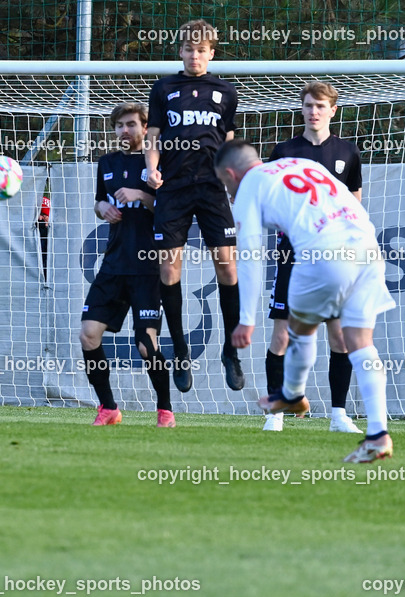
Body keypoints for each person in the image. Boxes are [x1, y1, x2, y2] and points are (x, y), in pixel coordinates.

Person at [217, 139, 396, 463]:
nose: (228, 192)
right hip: (367, 247)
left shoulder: (249, 186)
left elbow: (251, 257)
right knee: (359, 343)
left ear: (231, 174)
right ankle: (378, 434)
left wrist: (246, 320)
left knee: (298, 328)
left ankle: (292, 393)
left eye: (224, 183)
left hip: (323, 252)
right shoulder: (306, 165)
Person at [145, 19, 243, 393]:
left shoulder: (225, 91)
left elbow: (229, 141)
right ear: (180, 51)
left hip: (213, 188)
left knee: (227, 267)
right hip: (173, 189)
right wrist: (152, 168)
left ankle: (230, 351)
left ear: (211, 53)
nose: (194, 56)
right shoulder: (164, 88)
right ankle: (181, 351)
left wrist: (234, 180)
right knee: (169, 269)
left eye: (201, 50)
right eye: (188, 49)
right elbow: (153, 136)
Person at [262, 82, 363, 433]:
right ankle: (275, 414)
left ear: (333, 110)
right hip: (293, 256)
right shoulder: (285, 151)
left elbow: (355, 200)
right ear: (301, 109)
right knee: (282, 336)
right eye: (308, 105)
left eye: (320, 106)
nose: (313, 112)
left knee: (340, 336)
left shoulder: (347, 152)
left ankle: (339, 415)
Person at [81, 103, 173, 427]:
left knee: (147, 346)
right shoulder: (107, 162)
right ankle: (108, 407)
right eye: (120, 125)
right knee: (88, 335)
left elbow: (170, 210)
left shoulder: (159, 162)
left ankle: (165, 410)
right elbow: (98, 201)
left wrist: (141, 195)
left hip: (148, 267)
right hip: (113, 265)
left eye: (132, 124)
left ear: (145, 128)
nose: (125, 130)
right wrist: (102, 208)